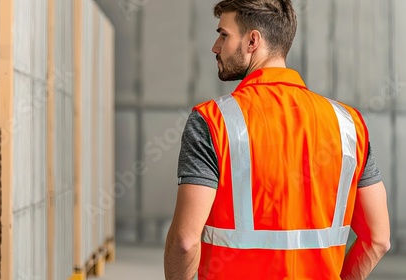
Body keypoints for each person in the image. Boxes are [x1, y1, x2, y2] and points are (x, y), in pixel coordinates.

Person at [163, 0, 391, 279]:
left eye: (224, 34)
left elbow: (185, 242)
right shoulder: (349, 124)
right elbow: (378, 239)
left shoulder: (212, 121)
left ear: (252, 41)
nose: (215, 46)